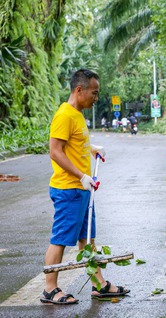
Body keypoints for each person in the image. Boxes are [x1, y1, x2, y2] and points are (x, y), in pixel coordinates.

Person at [42, 68, 129, 305]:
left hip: (82, 190)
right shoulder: (65, 115)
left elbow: (75, 145)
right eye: (94, 93)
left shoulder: (78, 114)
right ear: (79, 90)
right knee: (60, 238)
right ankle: (50, 289)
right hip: (69, 188)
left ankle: (99, 285)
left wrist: (93, 149)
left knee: (87, 239)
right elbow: (55, 151)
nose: (96, 98)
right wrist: (81, 175)